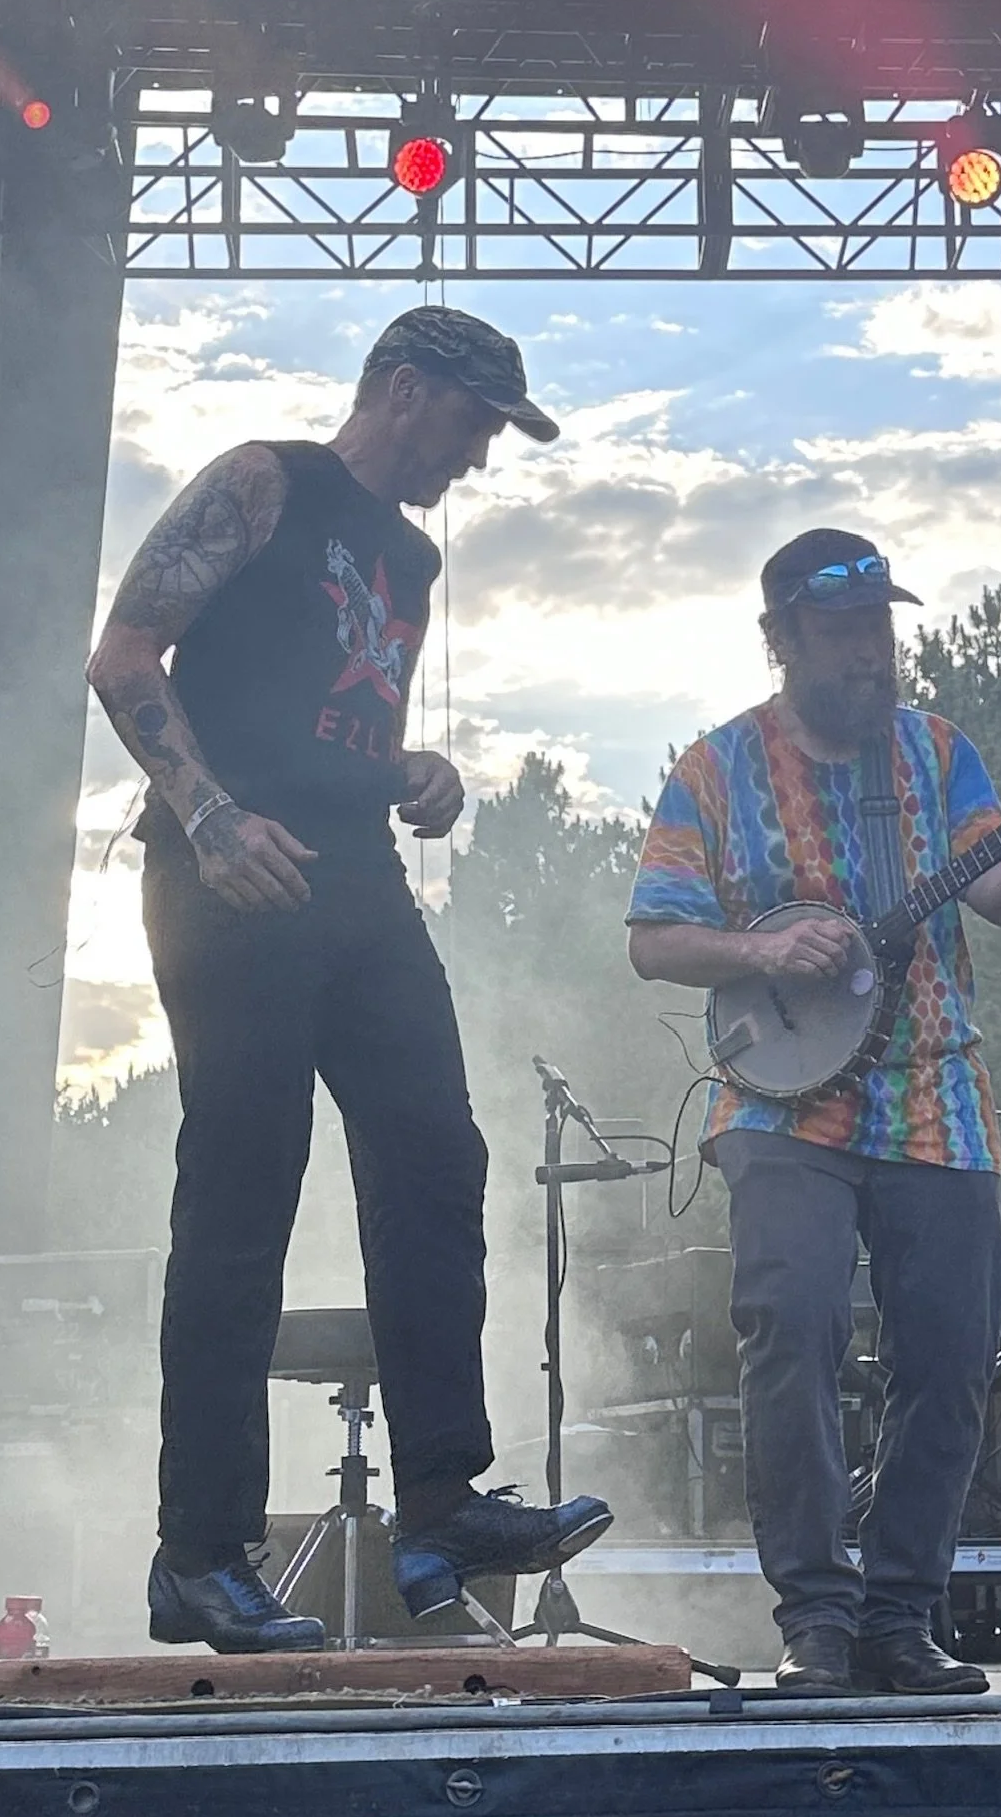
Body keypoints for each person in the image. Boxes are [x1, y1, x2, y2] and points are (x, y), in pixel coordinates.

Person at [85, 308, 611, 1653]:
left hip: (359, 876)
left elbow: (334, 716)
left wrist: (416, 772)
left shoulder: (411, 558)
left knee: (435, 1149)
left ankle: (440, 1500)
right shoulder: (264, 481)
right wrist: (208, 817)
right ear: (402, 387)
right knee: (243, 1187)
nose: (479, 456)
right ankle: (201, 1551)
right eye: (474, 423)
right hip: (230, 872)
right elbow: (124, 656)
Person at [625, 529, 1001, 1695]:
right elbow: (654, 938)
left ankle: (901, 1615)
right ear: (781, 638)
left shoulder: (937, 752)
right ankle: (817, 1617)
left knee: (951, 1350)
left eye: (880, 628)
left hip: (935, 1088)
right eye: (842, 632)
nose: (870, 653)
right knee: (791, 1323)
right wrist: (761, 948)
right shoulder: (715, 769)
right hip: (779, 1104)